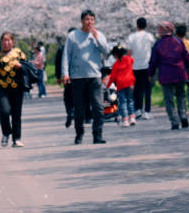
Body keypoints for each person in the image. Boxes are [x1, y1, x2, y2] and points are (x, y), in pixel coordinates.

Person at [61, 9, 111, 145]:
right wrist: (65, 73)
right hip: (77, 77)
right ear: (82, 21)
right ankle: (79, 134)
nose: (90, 22)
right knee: (79, 108)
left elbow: (106, 51)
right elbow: (66, 55)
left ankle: (98, 134)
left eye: (92, 20)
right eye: (87, 19)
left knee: (98, 106)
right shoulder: (73, 36)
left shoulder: (98, 35)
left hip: (94, 75)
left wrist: (97, 38)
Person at [148, 21, 189, 129]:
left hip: (166, 74)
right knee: (181, 96)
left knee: (168, 99)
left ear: (161, 31)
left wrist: (150, 74)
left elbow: (153, 61)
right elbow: (187, 56)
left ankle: (174, 120)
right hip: (180, 72)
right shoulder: (178, 41)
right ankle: (183, 116)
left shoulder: (158, 44)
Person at [0, 31, 28, 147]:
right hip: (1, 89)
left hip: (17, 88)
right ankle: (6, 133)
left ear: (12, 42)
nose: (6, 43)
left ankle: (16, 138)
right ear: (1, 42)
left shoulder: (19, 53)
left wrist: (21, 66)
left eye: (8, 40)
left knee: (16, 113)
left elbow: (28, 67)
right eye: (4, 40)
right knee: (4, 111)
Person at [123, 17, 156, 120]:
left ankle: (137, 110)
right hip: (147, 66)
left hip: (135, 66)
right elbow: (153, 49)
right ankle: (147, 111)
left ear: (136, 25)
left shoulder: (131, 37)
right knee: (147, 89)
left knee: (137, 89)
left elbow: (129, 53)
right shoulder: (150, 36)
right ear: (146, 25)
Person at [106, 44, 137, 126]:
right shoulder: (129, 60)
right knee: (130, 100)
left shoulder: (115, 65)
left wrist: (108, 85)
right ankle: (132, 118)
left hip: (120, 85)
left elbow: (113, 77)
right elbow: (132, 60)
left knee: (122, 102)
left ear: (115, 55)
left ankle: (125, 120)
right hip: (130, 83)